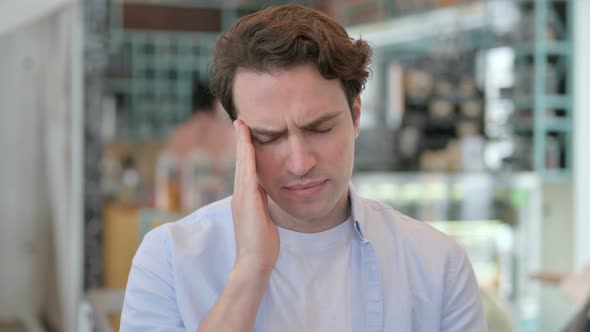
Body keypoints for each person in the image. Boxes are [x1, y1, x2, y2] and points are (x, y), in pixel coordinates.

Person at [120, 4, 486, 331]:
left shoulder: (437, 266)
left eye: (320, 128)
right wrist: (250, 269)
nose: (299, 163)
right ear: (240, 137)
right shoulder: (169, 260)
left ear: (356, 116)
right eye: (268, 137)